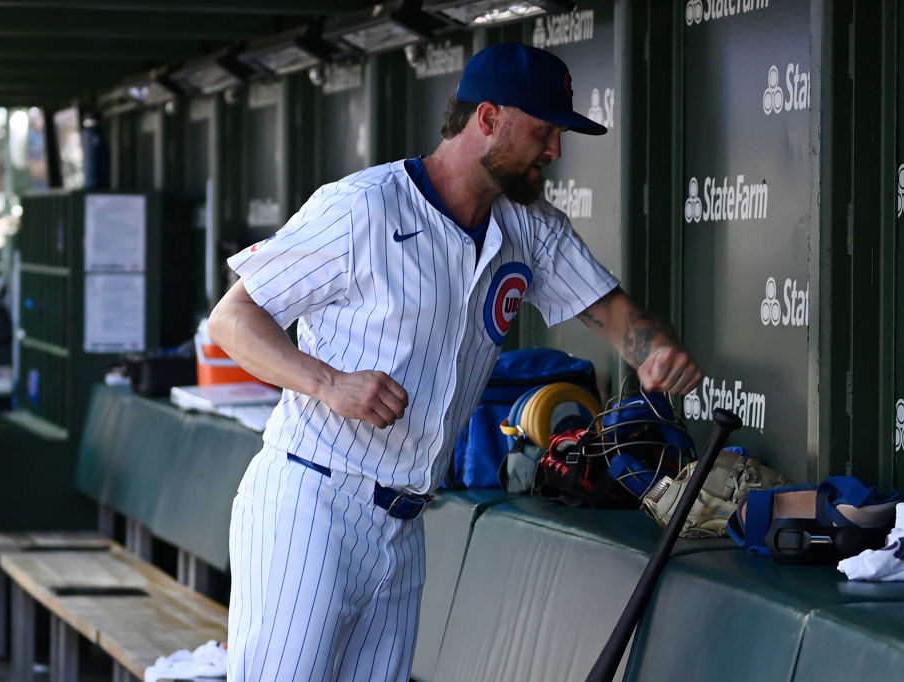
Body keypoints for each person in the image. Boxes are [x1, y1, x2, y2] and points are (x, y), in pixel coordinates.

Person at [208, 41, 703, 682]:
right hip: (313, 500)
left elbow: (619, 322)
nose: (554, 150)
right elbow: (232, 319)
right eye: (543, 131)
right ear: (488, 118)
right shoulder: (364, 205)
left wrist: (656, 353)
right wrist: (327, 382)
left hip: (406, 522)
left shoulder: (529, 228)